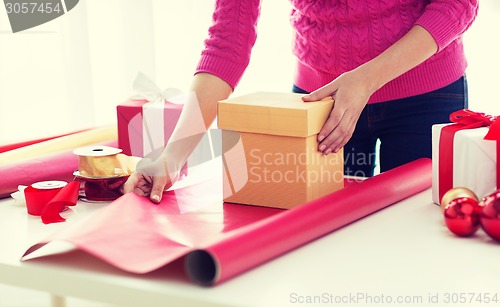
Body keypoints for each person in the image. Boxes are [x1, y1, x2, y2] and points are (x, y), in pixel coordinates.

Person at [124, 0, 479, 203]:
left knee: (419, 231)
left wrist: (366, 79)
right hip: (320, 107)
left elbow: (457, 4)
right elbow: (227, 41)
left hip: (424, 94)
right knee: (327, 246)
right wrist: (174, 153)